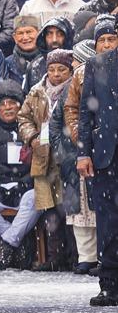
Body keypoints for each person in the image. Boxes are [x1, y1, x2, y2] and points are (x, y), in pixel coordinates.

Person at [17, 49, 74, 271]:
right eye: (52, 69)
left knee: (68, 208)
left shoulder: (74, 89)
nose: (56, 74)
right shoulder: (36, 92)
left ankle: (73, 257)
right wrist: (31, 137)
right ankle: (53, 257)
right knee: (48, 210)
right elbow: (23, 117)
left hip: (66, 157)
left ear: (69, 70)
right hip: (42, 158)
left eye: (61, 69)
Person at [77, 26, 118, 306]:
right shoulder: (96, 63)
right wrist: (83, 153)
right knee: (107, 221)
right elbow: (85, 112)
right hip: (106, 153)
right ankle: (110, 285)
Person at [53, 39, 98, 276]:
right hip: (73, 156)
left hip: (97, 153)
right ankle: (86, 257)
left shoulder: (100, 78)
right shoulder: (69, 88)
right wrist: (63, 150)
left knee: (98, 210)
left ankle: (100, 257)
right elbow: (56, 122)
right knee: (78, 211)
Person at [0, 80, 39, 270]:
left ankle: (7, 244)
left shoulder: (30, 129)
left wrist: (27, 182)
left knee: (36, 198)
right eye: (3, 104)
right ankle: (13, 242)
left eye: (12, 103)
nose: (8, 108)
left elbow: (40, 161)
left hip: (25, 187)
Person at [22, 16, 74, 94]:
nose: (54, 40)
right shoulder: (35, 66)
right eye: (50, 34)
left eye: (60, 34)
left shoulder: (77, 64)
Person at [4, 15, 40, 85]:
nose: (25, 37)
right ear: (14, 37)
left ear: (39, 33)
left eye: (29, 32)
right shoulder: (7, 64)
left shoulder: (47, 60)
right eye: (20, 33)